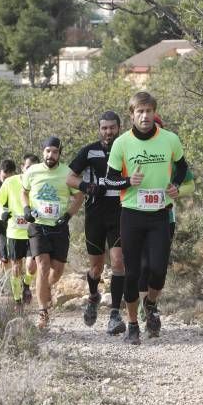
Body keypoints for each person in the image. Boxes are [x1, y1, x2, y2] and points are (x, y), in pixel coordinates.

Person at [106, 92, 189, 345]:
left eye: (149, 111)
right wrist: (128, 181)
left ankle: (150, 304)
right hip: (131, 214)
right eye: (139, 112)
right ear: (132, 115)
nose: (145, 116)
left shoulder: (170, 139)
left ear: (154, 113)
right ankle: (132, 325)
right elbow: (110, 179)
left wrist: (175, 184)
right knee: (131, 274)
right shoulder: (122, 143)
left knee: (158, 271)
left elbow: (183, 167)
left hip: (159, 215)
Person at [67, 111, 127, 335]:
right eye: (104, 128)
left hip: (120, 212)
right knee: (96, 267)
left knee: (118, 262)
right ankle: (93, 296)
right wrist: (88, 187)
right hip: (95, 214)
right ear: (99, 129)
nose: (108, 132)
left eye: (112, 127)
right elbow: (70, 177)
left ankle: (114, 314)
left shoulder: (126, 147)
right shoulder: (89, 150)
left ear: (119, 127)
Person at [136, 114, 196, 323]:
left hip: (165, 218)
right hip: (136, 216)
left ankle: (151, 302)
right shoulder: (135, 153)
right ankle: (147, 311)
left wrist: (177, 190)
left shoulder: (171, 156)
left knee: (157, 267)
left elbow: (191, 184)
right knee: (142, 266)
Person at [21, 137, 84, 329]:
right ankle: (43, 312)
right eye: (48, 151)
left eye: (55, 152)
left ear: (59, 153)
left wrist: (68, 215)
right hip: (38, 225)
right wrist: (26, 209)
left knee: (56, 273)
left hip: (59, 226)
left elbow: (80, 195)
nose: (51, 155)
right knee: (42, 265)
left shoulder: (67, 173)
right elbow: (24, 191)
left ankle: (44, 288)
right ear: (43, 152)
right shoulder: (32, 171)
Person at [0, 154, 39, 307]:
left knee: (31, 265)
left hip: (33, 230)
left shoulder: (40, 182)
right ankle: (17, 300)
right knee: (16, 266)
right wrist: (2, 214)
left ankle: (26, 284)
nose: (31, 171)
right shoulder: (10, 182)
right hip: (14, 231)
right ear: (22, 167)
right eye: (28, 168)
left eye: (34, 169)